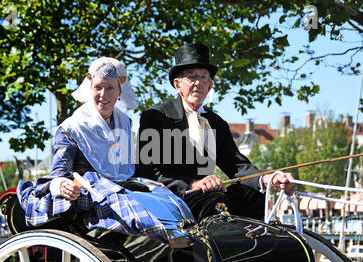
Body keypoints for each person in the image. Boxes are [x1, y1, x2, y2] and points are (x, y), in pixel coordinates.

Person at [16, 57, 193, 246]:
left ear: (119, 92)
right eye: (98, 87)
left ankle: (183, 229)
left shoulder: (125, 122)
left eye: (110, 88)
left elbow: (125, 169)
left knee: (159, 193)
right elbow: (59, 173)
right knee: (112, 193)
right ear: (90, 88)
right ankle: (163, 233)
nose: (103, 94)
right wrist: (62, 185)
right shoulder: (72, 127)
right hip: (87, 194)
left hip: (122, 187)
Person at [136, 43, 296, 221]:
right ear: (177, 84)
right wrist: (192, 184)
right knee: (215, 200)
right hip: (170, 198)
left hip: (209, 197)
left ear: (210, 85)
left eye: (204, 77)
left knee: (253, 195)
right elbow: (147, 172)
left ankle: (254, 244)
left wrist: (269, 179)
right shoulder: (156, 117)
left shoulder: (217, 123)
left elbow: (236, 166)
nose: (198, 83)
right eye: (192, 77)